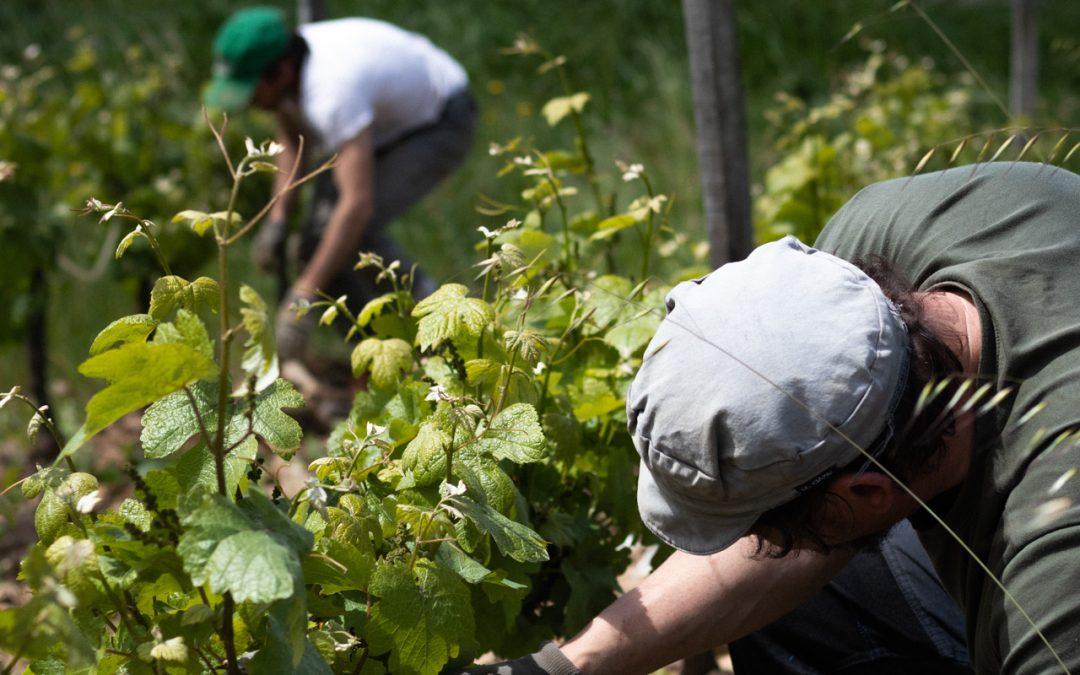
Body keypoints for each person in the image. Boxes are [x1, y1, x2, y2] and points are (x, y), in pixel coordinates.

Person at [464, 161, 1080, 674]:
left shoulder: (1054, 581)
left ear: (868, 491)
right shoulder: (906, 230)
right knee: (810, 597)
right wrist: (562, 668)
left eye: (769, 533)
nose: (760, 545)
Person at [205, 6, 475, 365]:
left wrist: (303, 297)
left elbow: (356, 205)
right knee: (318, 245)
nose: (251, 101)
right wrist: (277, 219)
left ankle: (445, 329)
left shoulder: (331, 94)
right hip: (386, 118)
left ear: (281, 72)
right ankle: (384, 358)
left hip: (439, 118)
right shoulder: (292, 67)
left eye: (252, 89)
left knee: (353, 234)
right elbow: (291, 135)